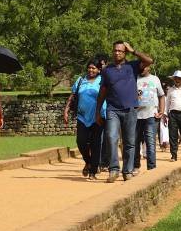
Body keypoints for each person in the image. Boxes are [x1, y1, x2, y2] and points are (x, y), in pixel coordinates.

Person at [96, 41, 153, 183]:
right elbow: (102, 92)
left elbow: (149, 61)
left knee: (129, 142)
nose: (117, 53)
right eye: (115, 50)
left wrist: (134, 51)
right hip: (112, 110)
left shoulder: (132, 66)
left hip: (130, 109)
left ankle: (127, 171)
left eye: (120, 51)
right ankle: (114, 170)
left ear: (125, 52)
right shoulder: (107, 70)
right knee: (111, 137)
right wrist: (97, 111)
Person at [63, 60, 105, 178]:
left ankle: (93, 171)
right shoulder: (81, 80)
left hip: (97, 117)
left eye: (94, 68)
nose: (91, 70)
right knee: (81, 141)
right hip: (82, 116)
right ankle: (88, 162)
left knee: (95, 144)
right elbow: (72, 96)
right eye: (89, 68)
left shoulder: (102, 80)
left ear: (98, 70)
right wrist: (66, 110)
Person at [134, 63, 165, 171]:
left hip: (151, 115)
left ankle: (151, 167)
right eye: (140, 67)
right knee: (135, 141)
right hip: (136, 116)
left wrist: (161, 111)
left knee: (150, 141)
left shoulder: (155, 79)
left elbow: (161, 96)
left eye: (144, 66)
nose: (142, 68)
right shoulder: (134, 78)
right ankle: (135, 166)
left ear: (149, 67)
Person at [164, 71, 181, 162]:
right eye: (176, 78)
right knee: (172, 135)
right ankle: (173, 155)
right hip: (172, 114)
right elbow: (167, 103)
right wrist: (165, 114)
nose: (177, 80)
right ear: (174, 79)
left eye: (179, 79)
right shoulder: (170, 90)